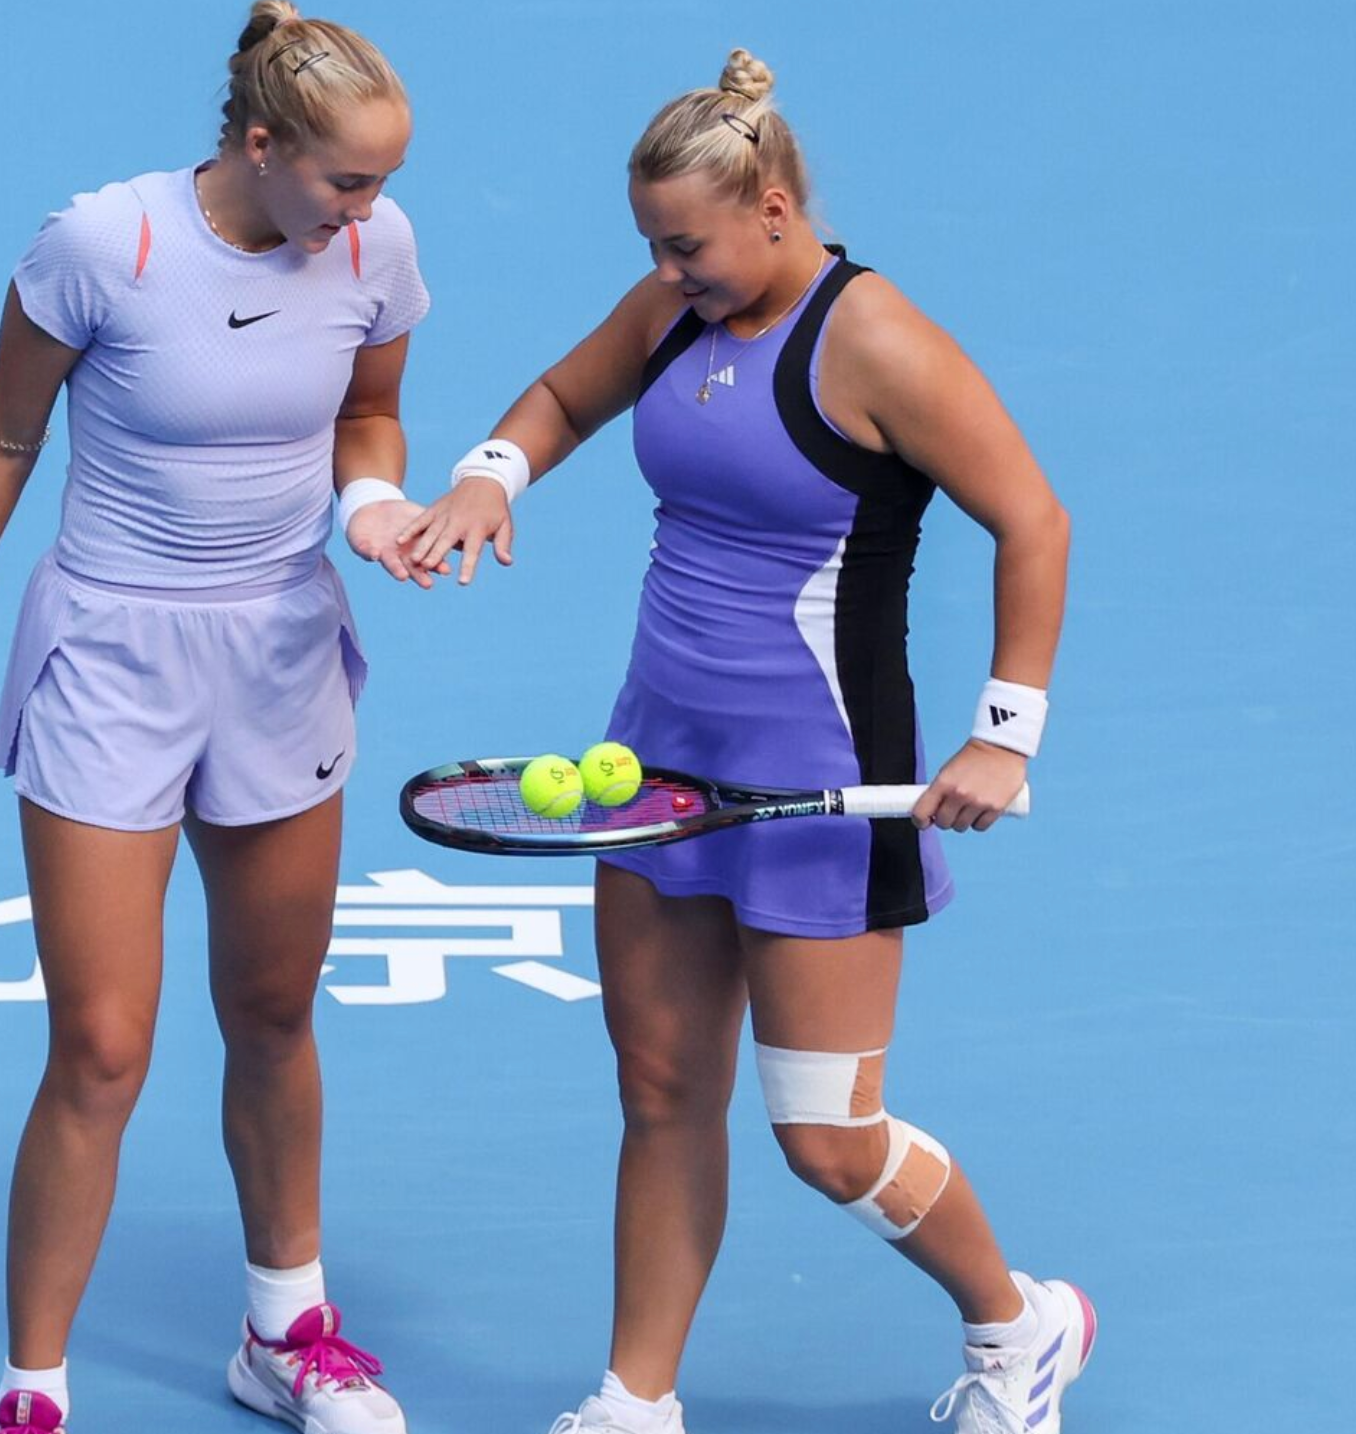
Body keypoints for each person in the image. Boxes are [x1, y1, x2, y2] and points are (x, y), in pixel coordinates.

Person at [397, 48, 1091, 1434]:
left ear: (774, 209)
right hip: (655, 773)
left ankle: (1022, 1324)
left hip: (823, 788)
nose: (669, 273)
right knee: (660, 1090)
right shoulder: (672, 305)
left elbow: (1034, 518)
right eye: (654, 248)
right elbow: (563, 398)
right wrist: (488, 476)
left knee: (828, 1141)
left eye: (689, 247)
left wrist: (1005, 734)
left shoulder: (874, 340)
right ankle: (634, 1399)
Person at [0, 6, 432, 1431]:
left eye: (382, 183)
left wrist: (372, 504)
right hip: (112, 655)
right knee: (103, 1046)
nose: (366, 210)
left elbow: (369, 411)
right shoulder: (103, 243)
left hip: (283, 651)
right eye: (345, 181)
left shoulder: (374, 249)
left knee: (274, 1009)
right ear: (263, 145)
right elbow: (2, 435)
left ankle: (284, 1334)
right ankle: (33, 1391)